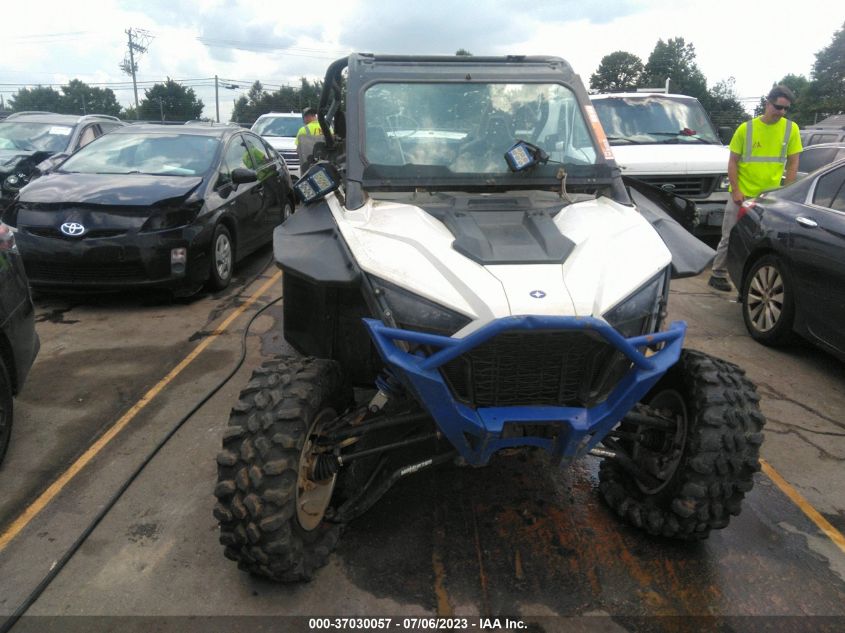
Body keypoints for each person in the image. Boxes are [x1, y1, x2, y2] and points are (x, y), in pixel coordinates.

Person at [708, 85, 802, 292]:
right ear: (767, 103)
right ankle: (717, 273)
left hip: (769, 199)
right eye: (778, 107)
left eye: (786, 109)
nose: (781, 112)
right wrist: (736, 190)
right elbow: (733, 162)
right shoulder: (746, 129)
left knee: (760, 242)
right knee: (730, 236)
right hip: (743, 195)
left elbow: (793, 162)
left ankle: (749, 280)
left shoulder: (791, 129)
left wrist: (787, 193)